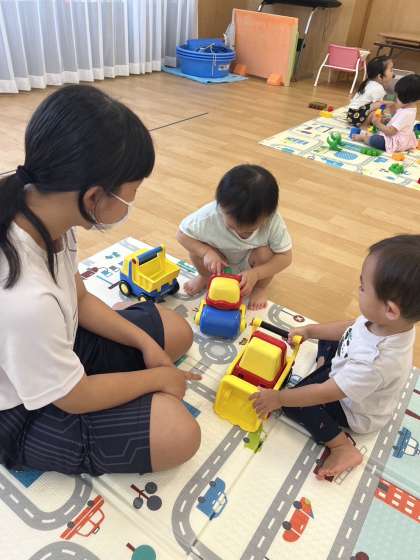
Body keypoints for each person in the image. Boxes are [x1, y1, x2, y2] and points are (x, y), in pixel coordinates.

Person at [0, 85, 201, 476]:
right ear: (94, 197)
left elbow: (80, 299)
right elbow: (73, 397)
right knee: (178, 432)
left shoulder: (47, 209)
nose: (130, 204)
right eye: (131, 194)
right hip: (20, 409)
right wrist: (156, 378)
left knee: (176, 332)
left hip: (53, 345)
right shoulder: (26, 299)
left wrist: (144, 344)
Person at [251, 235, 418, 479]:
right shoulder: (386, 322)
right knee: (328, 336)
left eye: (363, 287)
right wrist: (310, 331)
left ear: (390, 310)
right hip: (349, 374)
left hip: (353, 410)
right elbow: (352, 328)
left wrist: (278, 398)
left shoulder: (376, 362)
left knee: (297, 405)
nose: (357, 289)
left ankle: (342, 447)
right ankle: (323, 368)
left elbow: (323, 393)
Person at [176, 164, 292, 310]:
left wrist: (256, 274)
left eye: (250, 230)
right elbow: (182, 235)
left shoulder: (273, 221)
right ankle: (204, 276)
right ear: (220, 206)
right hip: (218, 261)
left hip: (251, 263)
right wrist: (206, 252)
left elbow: (285, 257)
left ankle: (260, 288)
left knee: (266, 254)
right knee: (196, 250)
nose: (240, 232)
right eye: (231, 227)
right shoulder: (208, 216)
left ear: (268, 216)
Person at [352, 74, 420, 152]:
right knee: (379, 131)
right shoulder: (409, 108)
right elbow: (400, 122)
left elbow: (390, 132)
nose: (397, 99)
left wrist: (377, 123)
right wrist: (389, 120)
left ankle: (364, 138)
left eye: (400, 98)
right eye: (397, 95)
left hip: (396, 141)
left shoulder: (406, 113)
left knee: (375, 140)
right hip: (402, 136)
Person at [346, 56, 393, 127]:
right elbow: (379, 105)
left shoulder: (368, 82)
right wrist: (392, 103)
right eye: (391, 70)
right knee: (380, 105)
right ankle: (365, 125)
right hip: (357, 117)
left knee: (379, 107)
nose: (393, 73)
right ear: (380, 76)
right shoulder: (378, 88)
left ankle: (369, 121)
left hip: (351, 115)